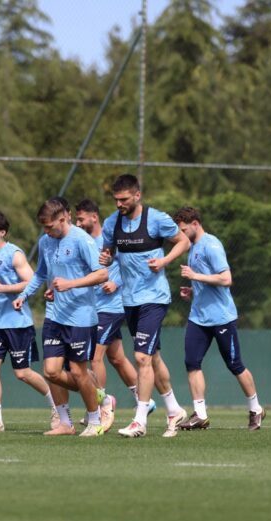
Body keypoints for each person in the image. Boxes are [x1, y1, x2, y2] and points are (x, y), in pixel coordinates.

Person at [100, 174, 191, 438]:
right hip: (129, 300)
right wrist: (106, 259)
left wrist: (164, 261)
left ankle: (140, 420)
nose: (119, 204)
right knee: (153, 357)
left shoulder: (156, 219)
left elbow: (183, 241)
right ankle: (174, 410)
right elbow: (109, 254)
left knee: (141, 357)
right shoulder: (111, 223)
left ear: (137, 195)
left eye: (124, 199)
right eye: (116, 200)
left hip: (154, 298)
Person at [15, 198, 109, 437]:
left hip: (81, 317)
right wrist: (24, 296)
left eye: (49, 226)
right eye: (43, 227)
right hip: (54, 315)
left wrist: (70, 284)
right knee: (51, 372)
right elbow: (40, 274)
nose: (46, 231)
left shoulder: (82, 240)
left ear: (63, 218)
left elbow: (102, 274)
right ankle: (66, 423)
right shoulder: (45, 241)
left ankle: (95, 420)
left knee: (78, 372)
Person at [173, 207, 265, 432]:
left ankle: (256, 409)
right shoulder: (192, 247)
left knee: (235, 365)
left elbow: (226, 279)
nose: (181, 234)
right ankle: (200, 415)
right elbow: (206, 282)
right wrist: (192, 290)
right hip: (198, 317)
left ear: (195, 224)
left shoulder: (211, 245)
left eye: (184, 229)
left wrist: (195, 276)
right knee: (192, 363)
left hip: (221, 318)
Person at [0, 211, 55, 432]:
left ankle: (56, 406)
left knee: (22, 373)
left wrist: (3, 288)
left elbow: (31, 281)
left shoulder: (14, 254)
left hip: (17, 323)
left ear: (2, 232)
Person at [75, 198, 143, 422]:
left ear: (94, 217)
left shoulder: (110, 238)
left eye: (81, 219)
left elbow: (131, 265)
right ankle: (143, 400)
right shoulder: (83, 242)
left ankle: (101, 405)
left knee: (95, 358)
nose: (78, 223)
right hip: (94, 308)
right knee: (117, 358)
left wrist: (117, 283)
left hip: (111, 307)